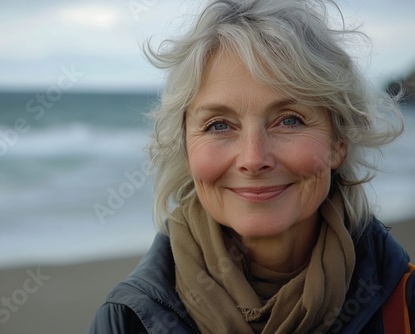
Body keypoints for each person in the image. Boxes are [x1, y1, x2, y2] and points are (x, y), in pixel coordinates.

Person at [89, 0, 414, 333]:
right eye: (218, 125)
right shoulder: (128, 321)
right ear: (185, 147)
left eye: (289, 120)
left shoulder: (406, 305)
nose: (253, 159)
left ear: (338, 142)